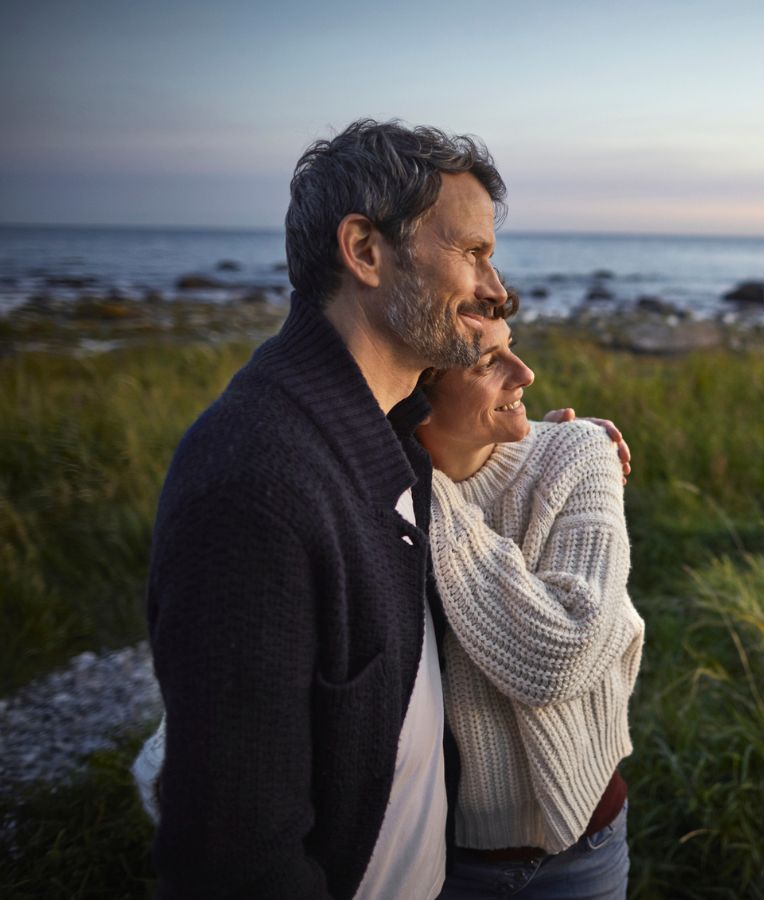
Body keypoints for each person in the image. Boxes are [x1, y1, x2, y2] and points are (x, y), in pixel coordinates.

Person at [143, 119, 629, 900]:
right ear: (365, 251)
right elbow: (236, 858)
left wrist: (573, 445)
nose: (496, 289)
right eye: (471, 253)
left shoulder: (386, 438)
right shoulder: (256, 483)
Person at [417, 314, 643, 898]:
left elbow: (560, 655)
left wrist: (425, 492)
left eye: (510, 348)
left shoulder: (579, 450)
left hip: (584, 849)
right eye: (486, 363)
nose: (525, 373)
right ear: (412, 392)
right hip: (438, 860)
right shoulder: (376, 497)